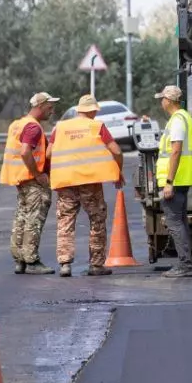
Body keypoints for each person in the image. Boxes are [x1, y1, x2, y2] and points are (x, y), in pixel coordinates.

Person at [48, 94, 124, 277]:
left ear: (79, 110)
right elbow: (116, 150)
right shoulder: (97, 126)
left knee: (65, 221)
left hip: (65, 182)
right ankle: (96, 265)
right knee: (97, 220)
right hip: (90, 182)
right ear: (93, 111)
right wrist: (117, 171)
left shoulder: (60, 127)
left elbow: (49, 154)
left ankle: (65, 264)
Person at [0, 91, 59, 275]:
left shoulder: (18, 124)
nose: (52, 110)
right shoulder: (33, 127)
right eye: (49, 107)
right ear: (40, 106)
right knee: (34, 220)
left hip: (21, 180)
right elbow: (25, 152)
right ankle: (32, 261)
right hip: (33, 181)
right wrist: (38, 174)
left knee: (22, 219)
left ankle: (20, 260)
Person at [152, 84, 192, 278]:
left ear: (169, 101)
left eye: (162, 99)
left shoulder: (178, 120)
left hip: (175, 180)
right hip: (181, 178)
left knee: (175, 223)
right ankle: (186, 263)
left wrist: (169, 181)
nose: (161, 102)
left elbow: (176, 150)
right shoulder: (184, 117)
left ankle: (185, 265)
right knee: (180, 222)